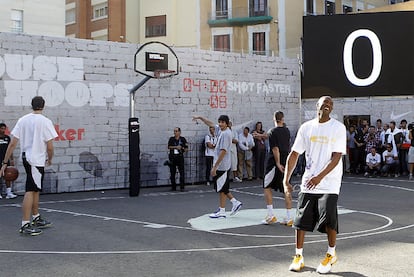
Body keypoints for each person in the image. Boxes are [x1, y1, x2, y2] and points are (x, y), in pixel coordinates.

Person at [283, 96, 346, 274]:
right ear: (317, 105)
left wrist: (319, 177)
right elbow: (294, 154)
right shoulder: (307, 127)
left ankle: (331, 253)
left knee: (328, 220)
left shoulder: (338, 128)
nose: (327, 105)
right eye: (324, 102)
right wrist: (285, 179)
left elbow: (336, 157)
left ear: (332, 109)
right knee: (300, 221)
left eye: (331, 104)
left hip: (330, 183)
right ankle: (298, 256)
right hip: (308, 182)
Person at [0, 96, 58, 236]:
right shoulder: (45, 121)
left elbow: (13, 143)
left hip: (27, 158)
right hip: (35, 160)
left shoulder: (23, 120)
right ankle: (25, 224)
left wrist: (4, 162)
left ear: (31, 105)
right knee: (30, 190)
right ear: (43, 106)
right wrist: (50, 159)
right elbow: (50, 146)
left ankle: (36, 217)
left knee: (35, 189)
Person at [192, 115, 242, 218]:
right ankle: (234, 203)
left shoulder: (226, 134)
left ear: (227, 123)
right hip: (221, 164)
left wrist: (215, 166)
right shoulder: (221, 130)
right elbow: (210, 123)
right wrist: (200, 117)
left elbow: (223, 151)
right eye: (219, 122)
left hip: (222, 165)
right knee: (222, 186)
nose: (220, 124)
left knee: (221, 188)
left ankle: (223, 210)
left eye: (223, 122)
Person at [261, 111, 292, 226]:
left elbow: (275, 148)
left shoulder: (273, 131)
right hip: (286, 159)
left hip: (275, 161)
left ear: (274, 118)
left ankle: (270, 215)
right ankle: (289, 217)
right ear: (282, 119)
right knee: (285, 188)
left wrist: (277, 163)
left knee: (266, 186)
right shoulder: (287, 131)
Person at [167, 127, 188, 191]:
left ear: (179, 132)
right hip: (173, 157)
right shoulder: (171, 139)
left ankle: (182, 187)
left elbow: (186, 148)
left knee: (181, 172)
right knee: (172, 173)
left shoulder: (183, 139)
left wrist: (182, 149)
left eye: (176, 131)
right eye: (174, 131)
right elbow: (169, 146)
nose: (175, 132)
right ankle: (173, 186)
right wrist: (176, 147)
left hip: (180, 156)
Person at [0, 123, 17, 199]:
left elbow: (10, 149)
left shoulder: (7, 138)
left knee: (8, 176)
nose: (3, 130)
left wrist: (12, 159)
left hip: (5, 160)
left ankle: (8, 192)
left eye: (4, 129)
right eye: (1, 128)